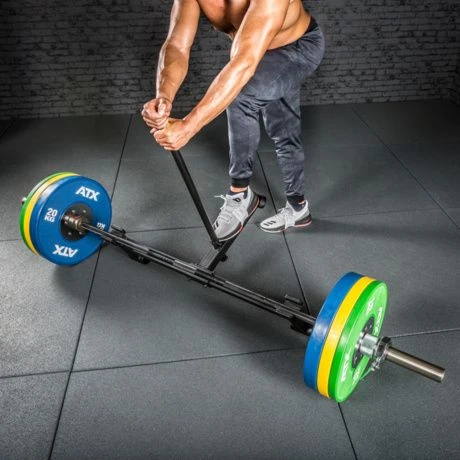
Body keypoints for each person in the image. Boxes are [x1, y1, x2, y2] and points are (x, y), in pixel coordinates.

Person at [142, 0, 325, 241]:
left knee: (241, 95)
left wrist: (188, 126)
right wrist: (164, 96)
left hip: (298, 48)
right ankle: (299, 208)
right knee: (284, 129)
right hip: (258, 52)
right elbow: (177, 44)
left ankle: (240, 193)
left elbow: (243, 63)